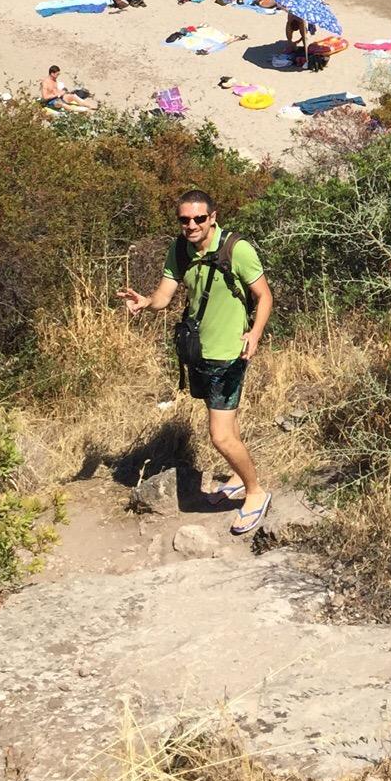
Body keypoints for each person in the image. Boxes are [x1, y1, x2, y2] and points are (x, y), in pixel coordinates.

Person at [119, 190, 273, 535]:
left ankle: (255, 492)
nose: (191, 225)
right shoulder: (180, 249)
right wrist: (145, 302)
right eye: (184, 219)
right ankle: (237, 476)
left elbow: (264, 296)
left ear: (213, 217)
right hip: (198, 352)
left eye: (199, 219)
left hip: (230, 354)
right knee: (225, 423)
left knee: (218, 435)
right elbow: (165, 295)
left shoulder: (237, 250)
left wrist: (255, 334)